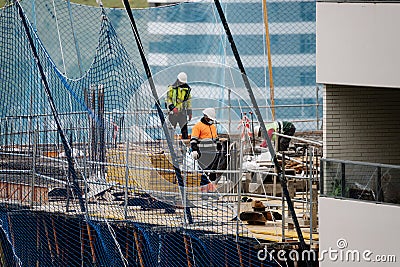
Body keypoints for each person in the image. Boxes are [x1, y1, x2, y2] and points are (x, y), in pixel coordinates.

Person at [190, 108, 222, 192]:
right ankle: (204, 193)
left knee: (212, 173)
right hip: (203, 153)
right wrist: (194, 150)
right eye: (210, 119)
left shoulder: (213, 127)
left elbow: (216, 138)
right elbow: (193, 140)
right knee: (204, 173)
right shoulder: (198, 126)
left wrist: (219, 145)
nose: (211, 120)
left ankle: (211, 192)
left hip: (213, 153)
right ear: (206, 117)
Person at [165, 72, 192, 139]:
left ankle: (185, 145)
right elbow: (168, 99)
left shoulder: (187, 90)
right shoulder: (171, 88)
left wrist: (189, 112)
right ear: (178, 80)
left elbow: (188, 102)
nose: (182, 83)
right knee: (171, 130)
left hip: (182, 113)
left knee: (184, 130)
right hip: (173, 113)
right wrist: (172, 108)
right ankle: (170, 144)